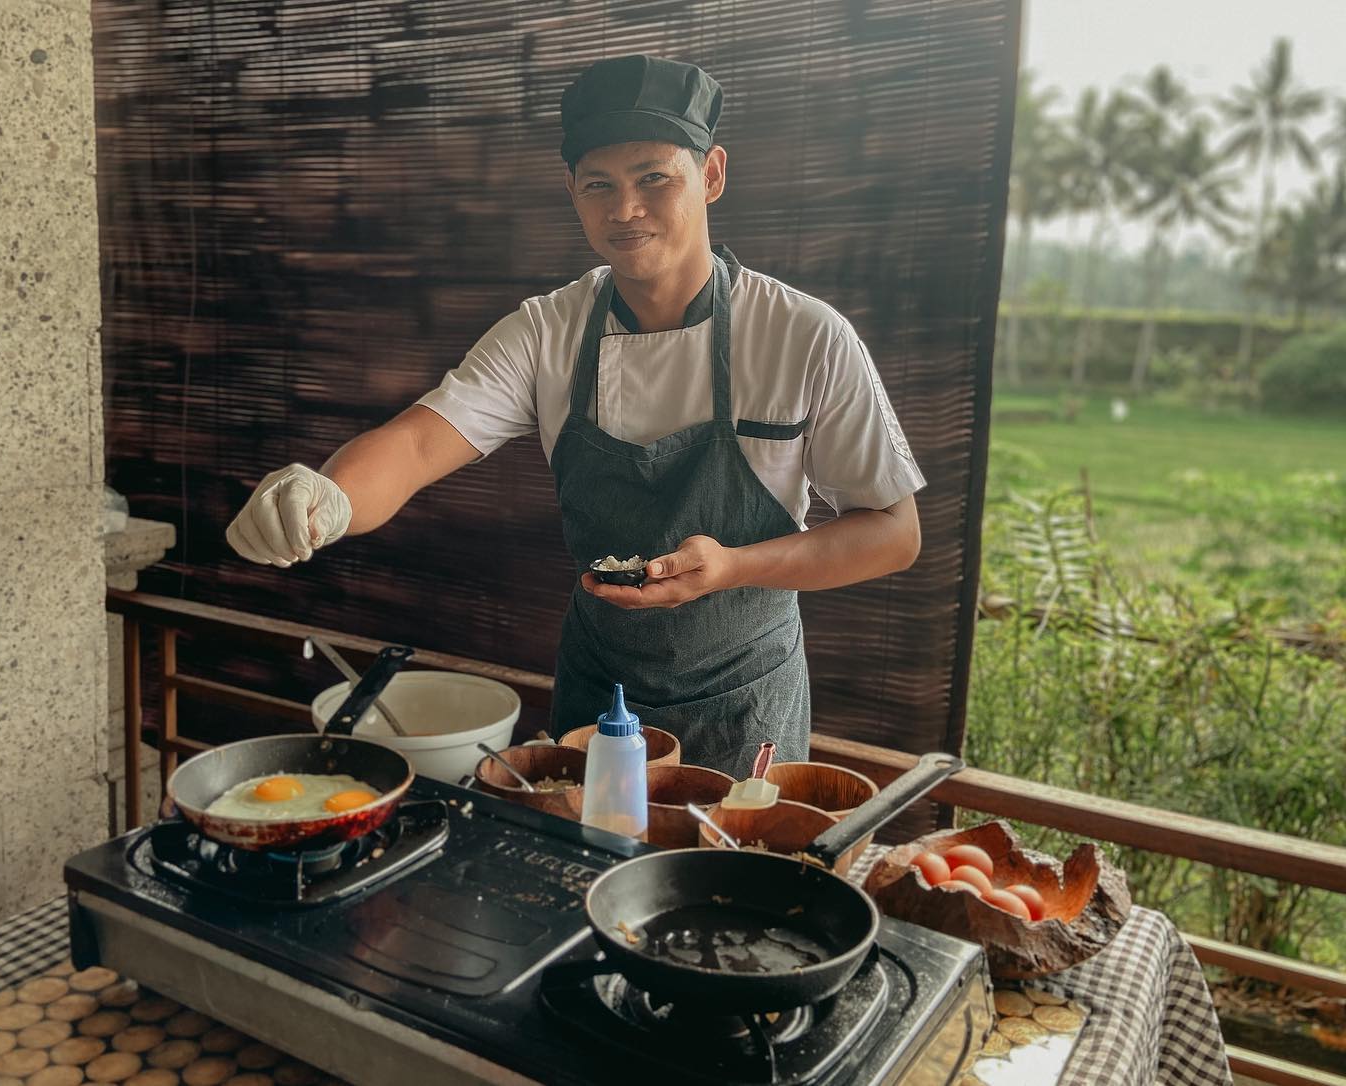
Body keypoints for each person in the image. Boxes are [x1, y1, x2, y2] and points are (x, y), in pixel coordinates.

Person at [226, 55, 925, 778]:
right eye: (600, 185)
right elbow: (415, 443)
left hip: (744, 704)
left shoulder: (804, 336)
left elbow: (892, 532)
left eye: (655, 177)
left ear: (711, 174)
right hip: (598, 695)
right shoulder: (547, 331)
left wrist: (733, 567)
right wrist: (328, 497)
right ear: (573, 192)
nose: (625, 209)